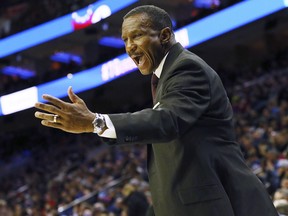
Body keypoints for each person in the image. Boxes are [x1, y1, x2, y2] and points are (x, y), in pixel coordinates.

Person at [35, 5, 279, 216]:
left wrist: (96, 122)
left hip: (219, 203)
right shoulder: (164, 76)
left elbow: (167, 121)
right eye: (125, 40)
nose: (129, 47)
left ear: (164, 35)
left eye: (137, 36)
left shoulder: (186, 68)